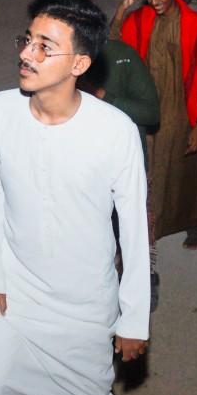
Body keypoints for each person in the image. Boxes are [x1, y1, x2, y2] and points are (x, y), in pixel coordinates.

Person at [0, 0, 150, 395]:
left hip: (84, 303)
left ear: (80, 64)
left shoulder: (115, 131)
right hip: (16, 290)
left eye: (45, 47)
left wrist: (133, 318)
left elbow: (133, 230)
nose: (27, 54)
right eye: (27, 40)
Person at [111, 0, 197, 249]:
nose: (154, 1)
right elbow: (113, 46)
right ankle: (149, 231)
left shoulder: (196, 26)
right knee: (146, 173)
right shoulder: (141, 19)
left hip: (181, 112)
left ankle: (194, 223)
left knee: (186, 171)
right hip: (146, 108)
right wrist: (122, 9)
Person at [80, 37, 161, 310]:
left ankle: (146, 278)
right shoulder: (55, 62)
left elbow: (150, 113)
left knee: (136, 229)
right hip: (83, 172)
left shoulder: (121, 56)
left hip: (124, 168)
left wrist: (106, 97)